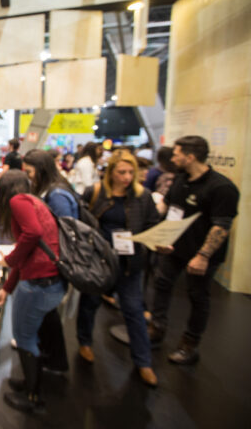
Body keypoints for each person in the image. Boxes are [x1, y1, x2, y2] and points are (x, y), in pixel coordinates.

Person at [149, 136, 239, 364]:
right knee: (161, 284)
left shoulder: (222, 188)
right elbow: (169, 208)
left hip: (202, 256)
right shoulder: (180, 179)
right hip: (174, 248)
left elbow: (221, 226)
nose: (173, 157)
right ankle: (156, 328)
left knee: (198, 297)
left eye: (177, 153)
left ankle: (189, 345)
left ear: (190, 157)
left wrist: (203, 256)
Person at [76, 150, 160, 386]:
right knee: (89, 303)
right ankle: (84, 342)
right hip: (99, 260)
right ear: (111, 172)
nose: (127, 176)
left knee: (134, 310)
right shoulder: (95, 193)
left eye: (131, 172)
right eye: (122, 171)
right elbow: (82, 224)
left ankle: (143, 362)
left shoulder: (143, 197)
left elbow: (153, 224)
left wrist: (155, 242)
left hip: (129, 264)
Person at [0, 170, 65, 412]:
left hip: (38, 284)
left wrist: (10, 260)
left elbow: (31, 236)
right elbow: (30, 249)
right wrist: (8, 287)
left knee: (25, 337)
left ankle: (33, 398)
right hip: (48, 282)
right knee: (29, 337)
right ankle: (29, 383)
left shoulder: (18, 201)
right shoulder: (34, 201)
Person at [22, 150, 79, 374]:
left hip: (53, 267)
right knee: (46, 315)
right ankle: (50, 359)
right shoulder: (54, 188)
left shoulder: (56, 194)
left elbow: (67, 229)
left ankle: (51, 362)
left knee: (47, 314)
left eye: (29, 171)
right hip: (52, 265)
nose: (28, 176)